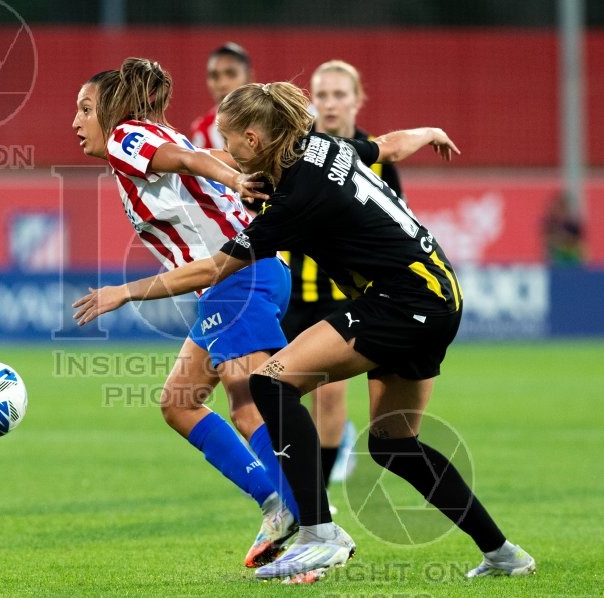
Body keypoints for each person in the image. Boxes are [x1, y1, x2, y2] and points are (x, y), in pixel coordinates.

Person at [74, 81, 536, 583]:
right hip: (441, 294)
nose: (225, 154)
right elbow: (385, 146)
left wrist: (125, 292)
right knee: (393, 444)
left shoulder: (295, 200)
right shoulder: (326, 147)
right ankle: (503, 554)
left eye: (229, 142)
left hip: (403, 302)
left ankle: (319, 533)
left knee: (271, 383)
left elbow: (212, 270)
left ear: (253, 139)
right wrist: (428, 131)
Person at [71, 58, 299, 568]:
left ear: (110, 111)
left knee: (252, 407)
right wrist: (233, 170)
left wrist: (231, 178)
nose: (77, 122)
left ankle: (311, 527)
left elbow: (191, 160)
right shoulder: (155, 132)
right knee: (179, 402)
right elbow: (202, 156)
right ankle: (276, 502)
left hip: (237, 278)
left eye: (85, 109)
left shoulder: (124, 137)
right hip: (242, 279)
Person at [283, 60, 405, 490]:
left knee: (329, 391)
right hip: (293, 291)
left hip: (348, 294)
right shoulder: (297, 151)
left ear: (357, 100)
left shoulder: (379, 158)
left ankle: (316, 499)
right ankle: (302, 490)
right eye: (322, 96)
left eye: (339, 95)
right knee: (270, 392)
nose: (330, 105)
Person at [189, 43, 252, 151]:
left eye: (231, 74)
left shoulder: (271, 119)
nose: (222, 84)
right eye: (214, 76)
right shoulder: (202, 130)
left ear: (250, 77)